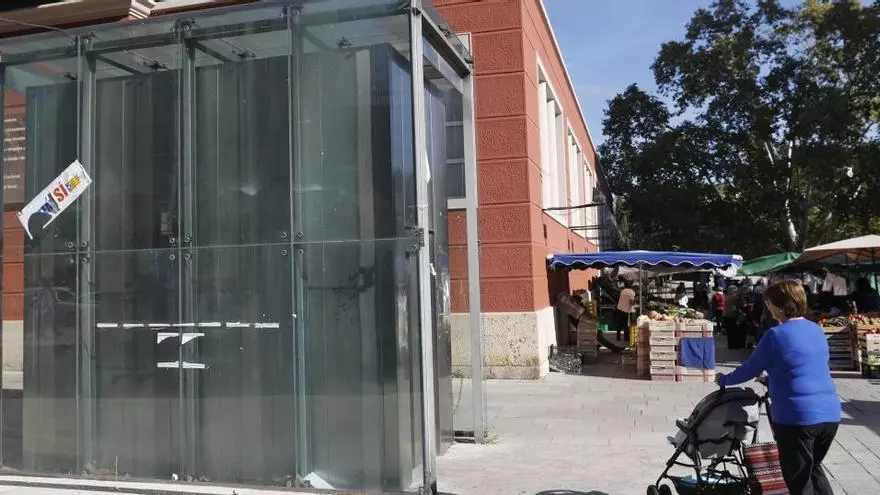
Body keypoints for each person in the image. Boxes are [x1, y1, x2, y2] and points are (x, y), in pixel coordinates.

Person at [716, 280, 840, 495]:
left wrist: (723, 379)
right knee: (812, 469)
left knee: (799, 480)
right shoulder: (816, 329)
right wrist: (770, 379)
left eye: (769, 304)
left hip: (797, 417)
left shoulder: (775, 335)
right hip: (830, 414)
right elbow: (805, 367)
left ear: (780, 306)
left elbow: (748, 369)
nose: (768, 308)